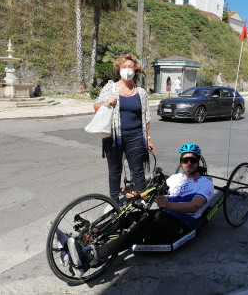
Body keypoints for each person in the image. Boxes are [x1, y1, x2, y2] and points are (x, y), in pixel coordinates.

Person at [66, 143, 214, 278]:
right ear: (181, 161)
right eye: (185, 160)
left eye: (193, 160)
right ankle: (83, 239)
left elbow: (195, 205)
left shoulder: (205, 183)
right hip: (163, 214)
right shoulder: (175, 178)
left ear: (198, 161)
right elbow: (153, 191)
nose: (188, 164)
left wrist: (169, 205)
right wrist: (135, 193)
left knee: (141, 228)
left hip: (180, 221)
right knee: (126, 218)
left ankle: (93, 254)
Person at [93, 54, 155, 202]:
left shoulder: (141, 92)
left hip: (136, 136)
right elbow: (96, 107)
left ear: (136, 70)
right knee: (115, 171)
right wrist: (107, 101)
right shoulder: (111, 87)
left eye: (130, 67)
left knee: (138, 171)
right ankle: (114, 200)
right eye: (124, 67)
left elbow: (145, 118)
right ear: (119, 69)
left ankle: (141, 200)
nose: (127, 70)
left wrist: (148, 139)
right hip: (114, 137)